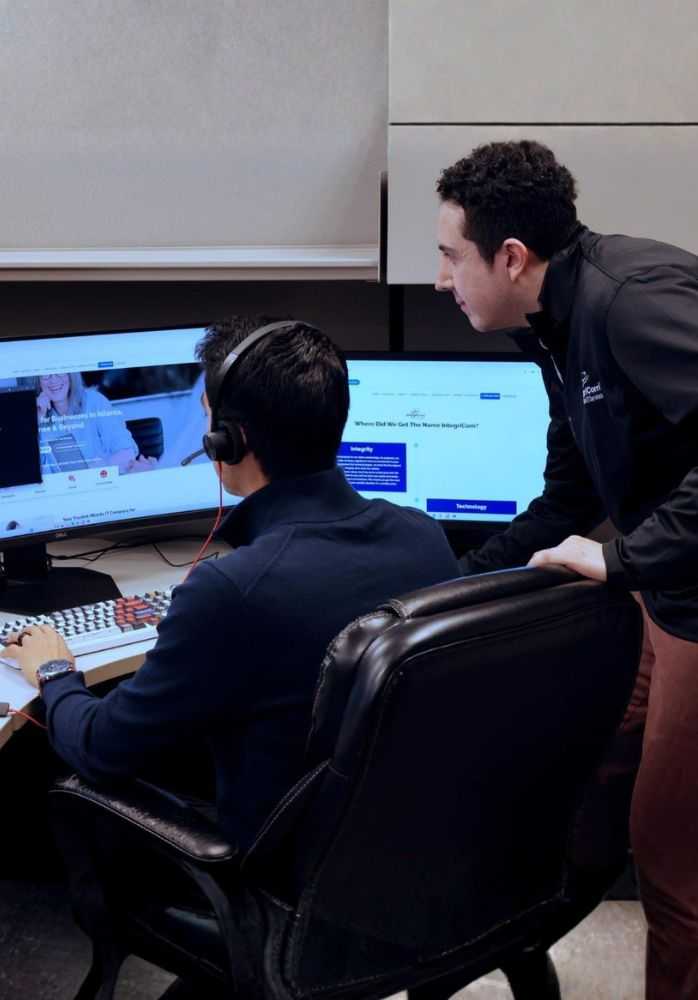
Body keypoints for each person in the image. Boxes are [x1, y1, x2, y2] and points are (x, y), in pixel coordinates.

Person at [3, 317, 460, 853]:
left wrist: (55, 672)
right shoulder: (424, 538)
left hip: (276, 862)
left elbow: (101, 748)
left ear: (230, 441)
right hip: (401, 847)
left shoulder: (231, 590)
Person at [434, 139, 698, 1000]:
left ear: (511, 257)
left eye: (451, 256)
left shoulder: (628, 302)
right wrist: (442, 585)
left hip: (689, 598)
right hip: (664, 587)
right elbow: (564, 500)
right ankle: (517, 939)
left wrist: (622, 558)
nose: (441, 279)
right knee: (585, 773)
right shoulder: (555, 327)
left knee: (674, 860)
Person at [27, 372, 156, 474]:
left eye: (60, 372)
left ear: (71, 375)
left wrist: (92, 472)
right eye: (45, 375)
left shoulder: (94, 401)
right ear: (38, 380)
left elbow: (126, 453)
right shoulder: (39, 414)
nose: (53, 380)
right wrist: (36, 420)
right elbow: (34, 471)